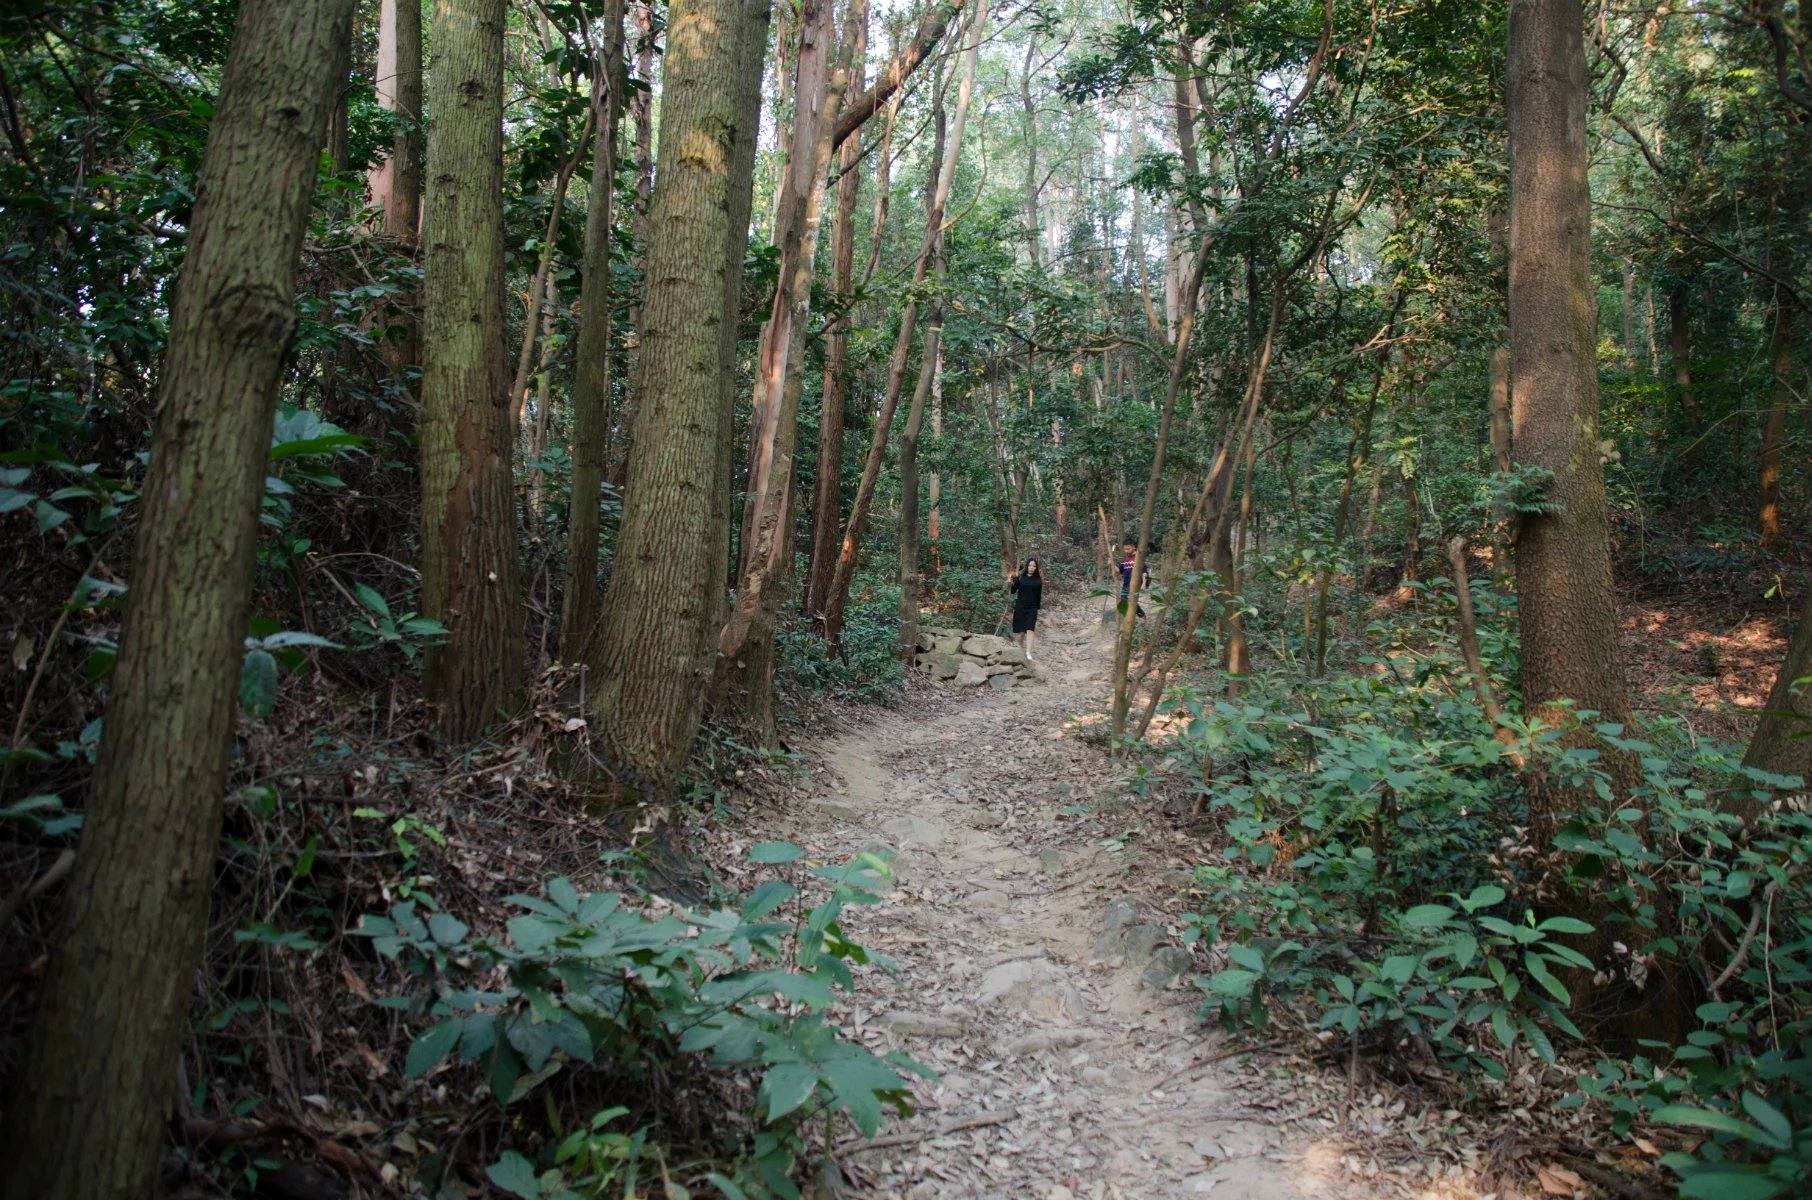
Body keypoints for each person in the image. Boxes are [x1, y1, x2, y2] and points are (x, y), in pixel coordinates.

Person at [1008, 557, 1043, 659]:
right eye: (1030, 565)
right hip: (1020, 607)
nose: (1032, 568)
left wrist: (1036, 609)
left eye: (1034, 566)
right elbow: (1013, 591)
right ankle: (1018, 650)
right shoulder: (1020, 578)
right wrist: (1012, 582)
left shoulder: (1038, 581)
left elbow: (1038, 596)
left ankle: (1028, 653)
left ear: (1036, 568)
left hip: (1032, 608)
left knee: (1030, 629)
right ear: (1027, 566)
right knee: (1021, 632)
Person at [1118, 539, 1148, 618]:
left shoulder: (1138, 558)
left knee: (1131, 601)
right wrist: (1111, 564)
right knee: (1124, 600)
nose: (1126, 551)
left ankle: (1140, 615)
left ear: (1134, 547)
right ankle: (1136, 615)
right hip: (1126, 583)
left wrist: (1144, 584)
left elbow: (1144, 572)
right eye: (1125, 549)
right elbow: (1119, 571)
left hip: (1135, 584)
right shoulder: (1124, 559)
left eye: (1128, 549)